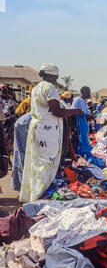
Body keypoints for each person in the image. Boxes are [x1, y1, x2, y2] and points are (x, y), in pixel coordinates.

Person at [19, 63, 83, 203]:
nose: (56, 79)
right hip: (47, 131)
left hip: (39, 128)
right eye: (55, 76)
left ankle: (34, 194)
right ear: (51, 75)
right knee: (47, 162)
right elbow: (56, 111)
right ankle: (40, 195)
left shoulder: (37, 88)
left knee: (38, 162)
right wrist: (75, 111)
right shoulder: (49, 87)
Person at [11, 112, 32, 191]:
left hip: (23, 122)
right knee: (22, 156)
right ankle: (23, 187)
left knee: (20, 155)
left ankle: (20, 186)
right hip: (25, 124)